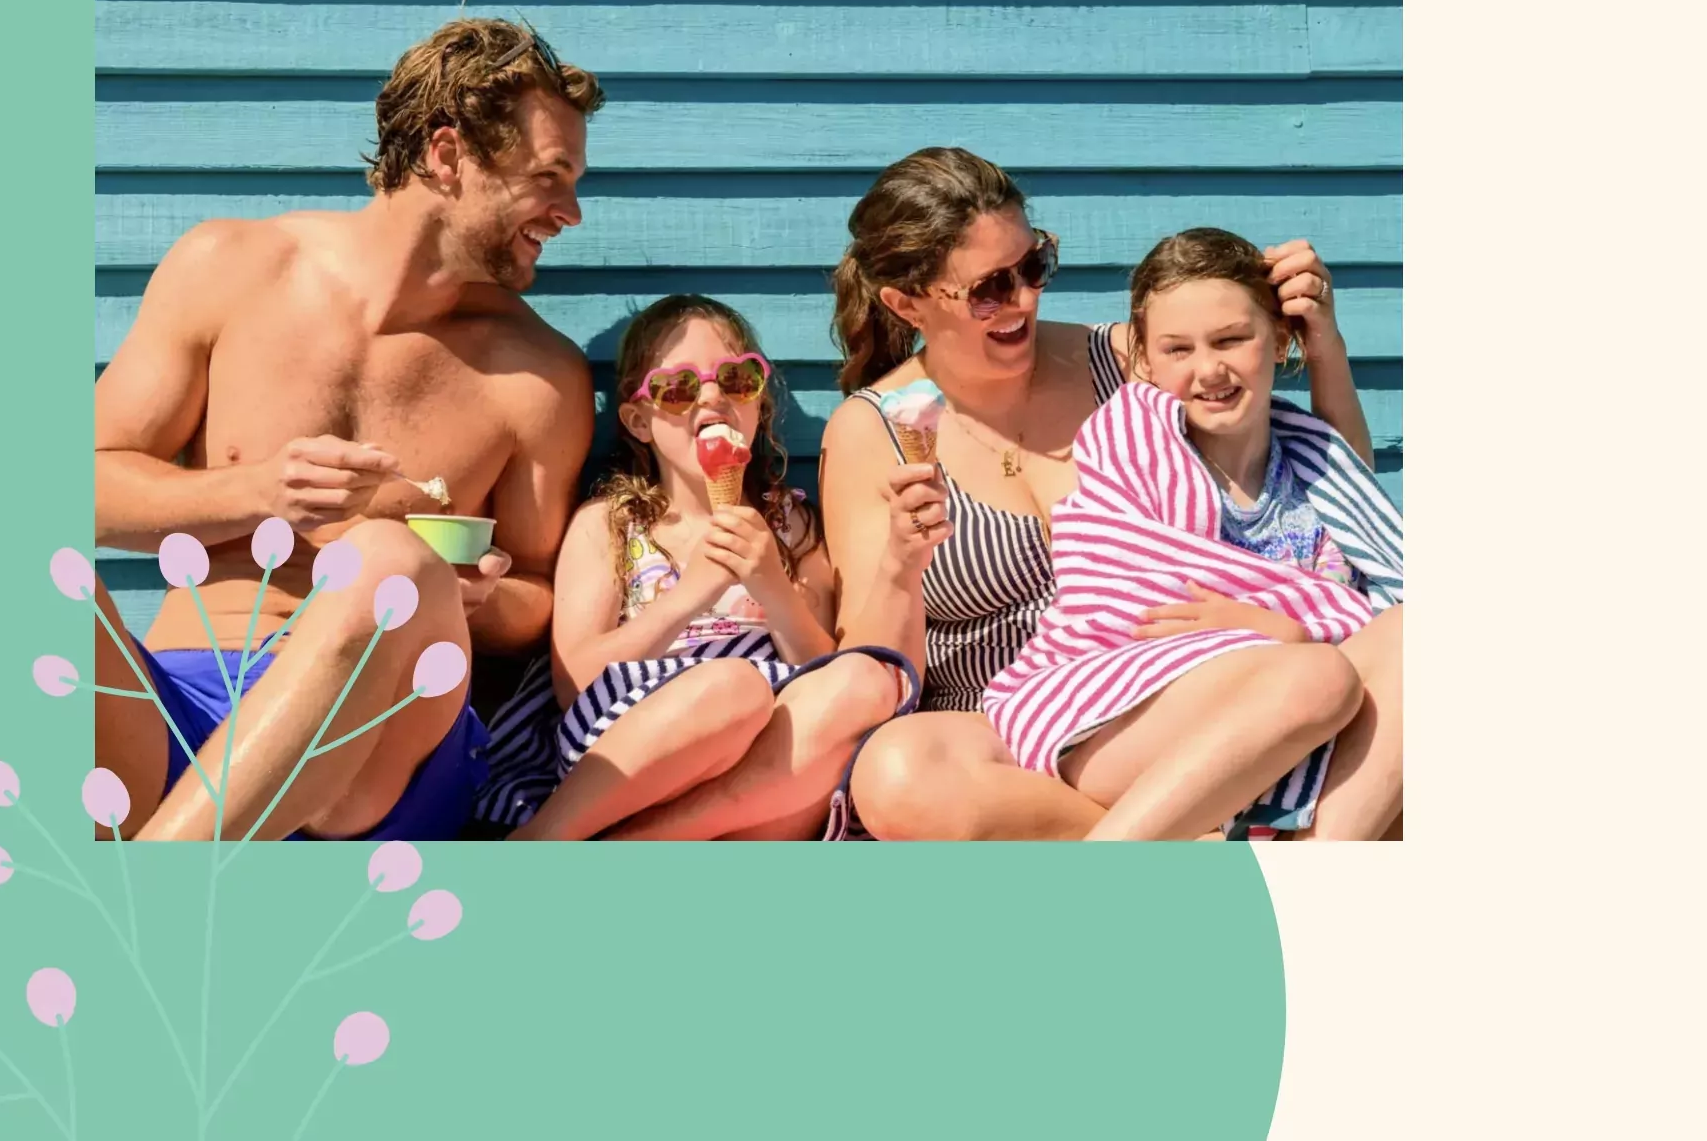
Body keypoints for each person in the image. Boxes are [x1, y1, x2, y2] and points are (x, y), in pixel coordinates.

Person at [91, 18, 603, 841]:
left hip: (376, 764)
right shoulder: (231, 269)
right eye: (550, 176)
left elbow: (539, 596)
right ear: (448, 155)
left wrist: (468, 592)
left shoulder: (537, 376)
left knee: (387, 561)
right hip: (172, 713)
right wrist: (257, 492)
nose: (570, 212)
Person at [823, 147, 1376, 839]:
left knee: (1359, 670)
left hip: (1181, 700)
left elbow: (1342, 501)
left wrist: (1321, 343)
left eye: (1035, 266)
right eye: (989, 289)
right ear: (905, 303)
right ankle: (1193, 834)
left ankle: (1152, 845)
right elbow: (875, 671)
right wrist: (902, 562)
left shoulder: (1127, 360)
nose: (1024, 299)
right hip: (1005, 734)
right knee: (896, 772)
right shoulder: (872, 430)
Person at [982, 228, 1403, 840]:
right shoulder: (1133, 451)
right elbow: (1127, 608)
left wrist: (1282, 631)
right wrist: (1280, 641)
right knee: (1319, 677)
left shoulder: (1314, 472)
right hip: (1121, 723)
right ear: (1146, 363)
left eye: (1232, 339)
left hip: (1288, 726)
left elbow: (1356, 519)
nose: (1209, 369)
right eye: (1179, 350)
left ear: (1281, 339)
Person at [482, 295, 923, 841]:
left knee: (863, 680)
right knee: (732, 690)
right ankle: (545, 838)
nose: (712, 397)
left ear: (758, 403)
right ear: (639, 422)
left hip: (765, 762)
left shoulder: (792, 526)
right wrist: (690, 594)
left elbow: (819, 666)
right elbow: (576, 684)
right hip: (634, 748)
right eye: (679, 388)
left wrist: (772, 586)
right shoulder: (611, 525)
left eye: (737, 379)